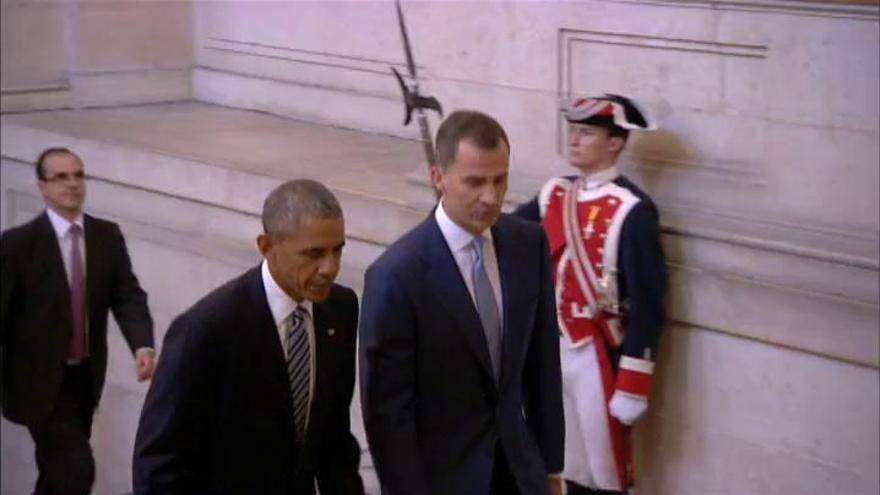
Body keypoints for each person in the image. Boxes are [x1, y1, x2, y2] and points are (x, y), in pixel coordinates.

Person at [359, 110, 564, 495]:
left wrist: (552, 468)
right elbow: (389, 417)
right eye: (475, 182)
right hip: (444, 481)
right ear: (439, 178)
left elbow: (543, 365)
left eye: (499, 180)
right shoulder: (397, 276)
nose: (491, 197)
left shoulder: (528, 246)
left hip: (521, 476)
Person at [132, 179, 364, 494]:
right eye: (314, 254)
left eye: (338, 251)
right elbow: (159, 463)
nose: (330, 267)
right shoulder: (206, 329)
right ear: (267, 246)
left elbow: (333, 439)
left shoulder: (340, 309)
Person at [515, 94, 667, 495]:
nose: (575, 140)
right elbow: (510, 236)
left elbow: (649, 306)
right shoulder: (554, 193)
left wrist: (633, 385)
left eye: (586, 132)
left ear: (615, 143)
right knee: (565, 463)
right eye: (573, 131)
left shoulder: (632, 209)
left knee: (606, 469)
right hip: (552, 347)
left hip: (597, 354)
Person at [0, 147, 156, 495]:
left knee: (57, 474)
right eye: (61, 177)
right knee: (76, 470)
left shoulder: (106, 236)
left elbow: (127, 295)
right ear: (42, 186)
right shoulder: (17, 245)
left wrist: (142, 345)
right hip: (36, 383)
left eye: (78, 175)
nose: (72, 184)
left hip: (83, 378)